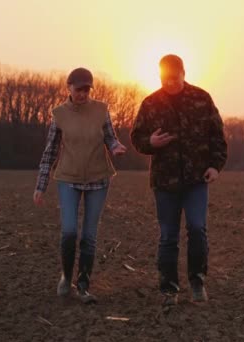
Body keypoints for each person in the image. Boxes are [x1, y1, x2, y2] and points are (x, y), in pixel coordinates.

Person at [130, 54, 227, 306]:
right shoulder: (151, 103)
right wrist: (150, 143)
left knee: (197, 229)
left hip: (196, 180)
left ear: (183, 73)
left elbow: (217, 136)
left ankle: (197, 281)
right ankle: (169, 288)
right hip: (165, 182)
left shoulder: (201, 99)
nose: (169, 83)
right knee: (168, 236)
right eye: (164, 79)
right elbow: (137, 137)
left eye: (173, 78)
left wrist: (215, 167)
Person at [33, 67, 127, 304]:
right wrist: (41, 185)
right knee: (69, 232)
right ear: (69, 88)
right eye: (79, 90)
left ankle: (84, 285)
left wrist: (115, 146)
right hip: (68, 178)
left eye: (87, 90)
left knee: (89, 235)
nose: (83, 94)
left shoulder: (101, 110)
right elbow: (50, 151)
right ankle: (66, 276)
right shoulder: (59, 115)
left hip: (98, 177)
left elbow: (110, 136)